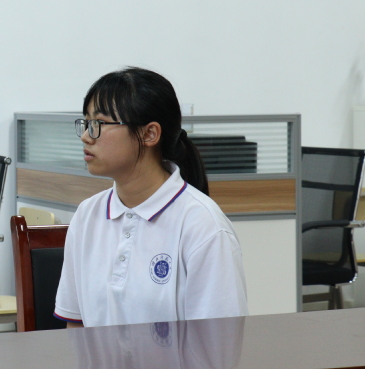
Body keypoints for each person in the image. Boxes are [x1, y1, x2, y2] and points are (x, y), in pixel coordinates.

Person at [54, 67, 248, 328]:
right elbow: (76, 325)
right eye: (87, 123)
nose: (87, 136)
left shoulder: (203, 226)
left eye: (99, 123)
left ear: (149, 134)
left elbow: (219, 342)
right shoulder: (87, 215)